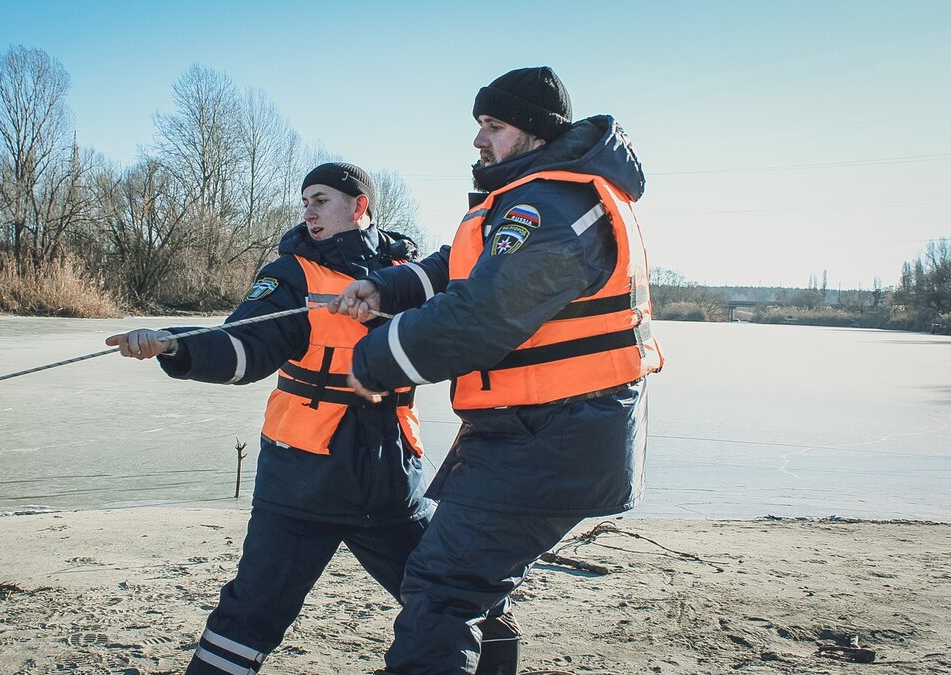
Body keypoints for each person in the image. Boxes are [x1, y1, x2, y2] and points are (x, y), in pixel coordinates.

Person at [332, 66, 664, 674]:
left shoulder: (555, 207)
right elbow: (450, 268)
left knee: (441, 589)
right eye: (480, 125)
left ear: (537, 134)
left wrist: (373, 360)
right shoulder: (528, 197)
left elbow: (481, 316)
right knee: (460, 585)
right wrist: (382, 287)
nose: (479, 140)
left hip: (554, 435)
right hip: (534, 432)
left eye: (495, 126)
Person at [105, 162, 433, 675]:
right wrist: (175, 344)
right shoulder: (290, 273)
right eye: (305, 201)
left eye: (320, 199)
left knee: (452, 600)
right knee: (249, 616)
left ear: (359, 205)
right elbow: (245, 349)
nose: (308, 211)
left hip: (391, 485)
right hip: (303, 484)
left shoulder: (410, 271)